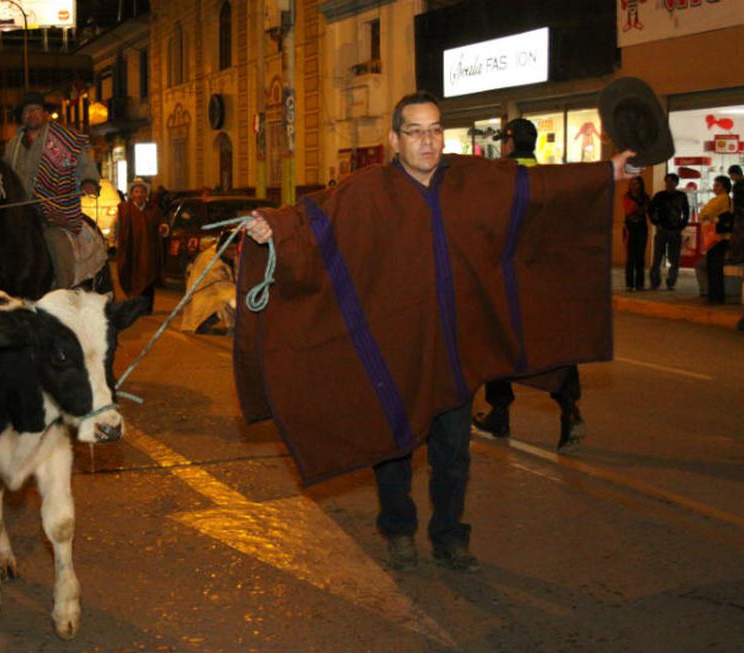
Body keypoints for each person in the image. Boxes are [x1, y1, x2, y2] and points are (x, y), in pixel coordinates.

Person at [240, 92, 637, 573]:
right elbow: (312, 219)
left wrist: (605, 172)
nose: (427, 141)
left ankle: (450, 536)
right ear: (394, 140)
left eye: (434, 130)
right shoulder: (366, 192)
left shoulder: (472, 180)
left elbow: (537, 188)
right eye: (415, 131)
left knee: (453, 453)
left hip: (455, 349)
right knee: (393, 448)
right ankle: (399, 529)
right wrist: (273, 227)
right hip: (397, 350)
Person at [471, 119, 585, 453]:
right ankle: (570, 412)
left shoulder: (499, 180)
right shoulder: (551, 180)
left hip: (509, 280)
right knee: (556, 348)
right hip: (547, 281)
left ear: (509, 142)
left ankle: (499, 413)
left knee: (497, 345)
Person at [4, 91, 102, 289]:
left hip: (53, 210)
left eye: (36, 109)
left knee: (55, 240)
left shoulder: (64, 138)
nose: (31, 114)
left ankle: (63, 288)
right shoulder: (13, 144)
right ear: (22, 116)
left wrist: (89, 181)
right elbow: (6, 174)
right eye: (27, 111)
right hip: (20, 210)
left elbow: (85, 164)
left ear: (45, 113)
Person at [116, 177, 162, 313]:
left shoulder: (153, 209)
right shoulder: (123, 209)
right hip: (130, 250)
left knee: (148, 278)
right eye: (136, 191)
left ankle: (147, 307)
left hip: (148, 251)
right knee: (132, 278)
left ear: (146, 194)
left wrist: (163, 227)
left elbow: (161, 222)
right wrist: (114, 242)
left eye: (142, 192)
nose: (139, 195)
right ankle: (135, 307)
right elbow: (116, 227)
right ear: (132, 193)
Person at [180, 229, 238, 335]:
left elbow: (238, 276)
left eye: (235, 249)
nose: (233, 253)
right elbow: (220, 284)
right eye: (230, 249)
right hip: (204, 294)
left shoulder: (231, 257)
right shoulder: (209, 258)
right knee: (230, 298)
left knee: (233, 297)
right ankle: (204, 324)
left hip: (217, 291)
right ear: (222, 247)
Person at [693, 175, 734, 303]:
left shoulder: (721, 200)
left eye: (718, 185)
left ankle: (714, 296)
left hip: (718, 237)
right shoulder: (725, 200)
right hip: (720, 237)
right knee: (712, 266)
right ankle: (713, 295)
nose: (714, 187)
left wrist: (706, 216)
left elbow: (705, 213)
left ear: (724, 187)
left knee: (713, 267)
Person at [648, 172, 690, 290]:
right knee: (657, 257)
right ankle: (655, 281)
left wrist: (681, 226)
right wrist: (656, 223)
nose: (668, 184)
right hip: (662, 229)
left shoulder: (682, 196)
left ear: (676, 183)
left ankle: (671, 282)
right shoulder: (659, 196)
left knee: (674, 259)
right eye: (667, 182)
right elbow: (651, 210)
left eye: (671, 182)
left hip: (675, 230)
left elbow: (686, 213)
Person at [622, 176, 651, 291]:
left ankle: (640, 284)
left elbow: (645, 210)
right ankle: (629, 284)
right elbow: (628, 211)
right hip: (629, 229)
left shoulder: (645, 197)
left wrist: (637, 209)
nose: (634, 186)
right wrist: (637, 209)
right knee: (630, 257)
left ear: (641, 185)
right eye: (632, 183)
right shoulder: (626, 196)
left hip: (641, 229)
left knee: (640, 257)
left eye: (636, 183)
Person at [727, 164, 744, 262]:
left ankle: (737, 257)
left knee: (738, 235)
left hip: (739, 214)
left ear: (736, 174)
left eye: (731, 175)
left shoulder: (737, 185)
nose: (731, 178)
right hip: (740, 213)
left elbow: (735, 201)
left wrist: (732, 212)